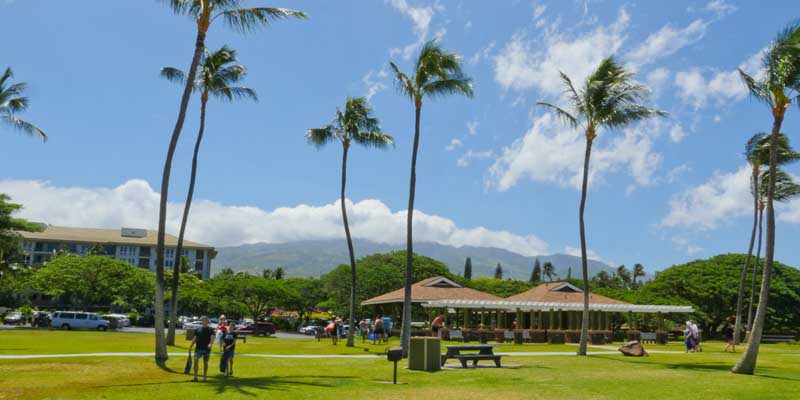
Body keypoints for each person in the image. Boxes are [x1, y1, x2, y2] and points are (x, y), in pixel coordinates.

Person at [190, 316, 214, 382]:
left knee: (205, 363)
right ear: (202, 322)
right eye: (203, 321)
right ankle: (195, 377)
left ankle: (204, 377)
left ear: (207, 322)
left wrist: (210, 344)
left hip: (206, 349)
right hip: (198, 348)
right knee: (195, 361)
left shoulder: (210, 330)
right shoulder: (198, 329)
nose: (205, 322)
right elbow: (195, 338)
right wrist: (191, 344)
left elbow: (212, 337)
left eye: (206, 321)